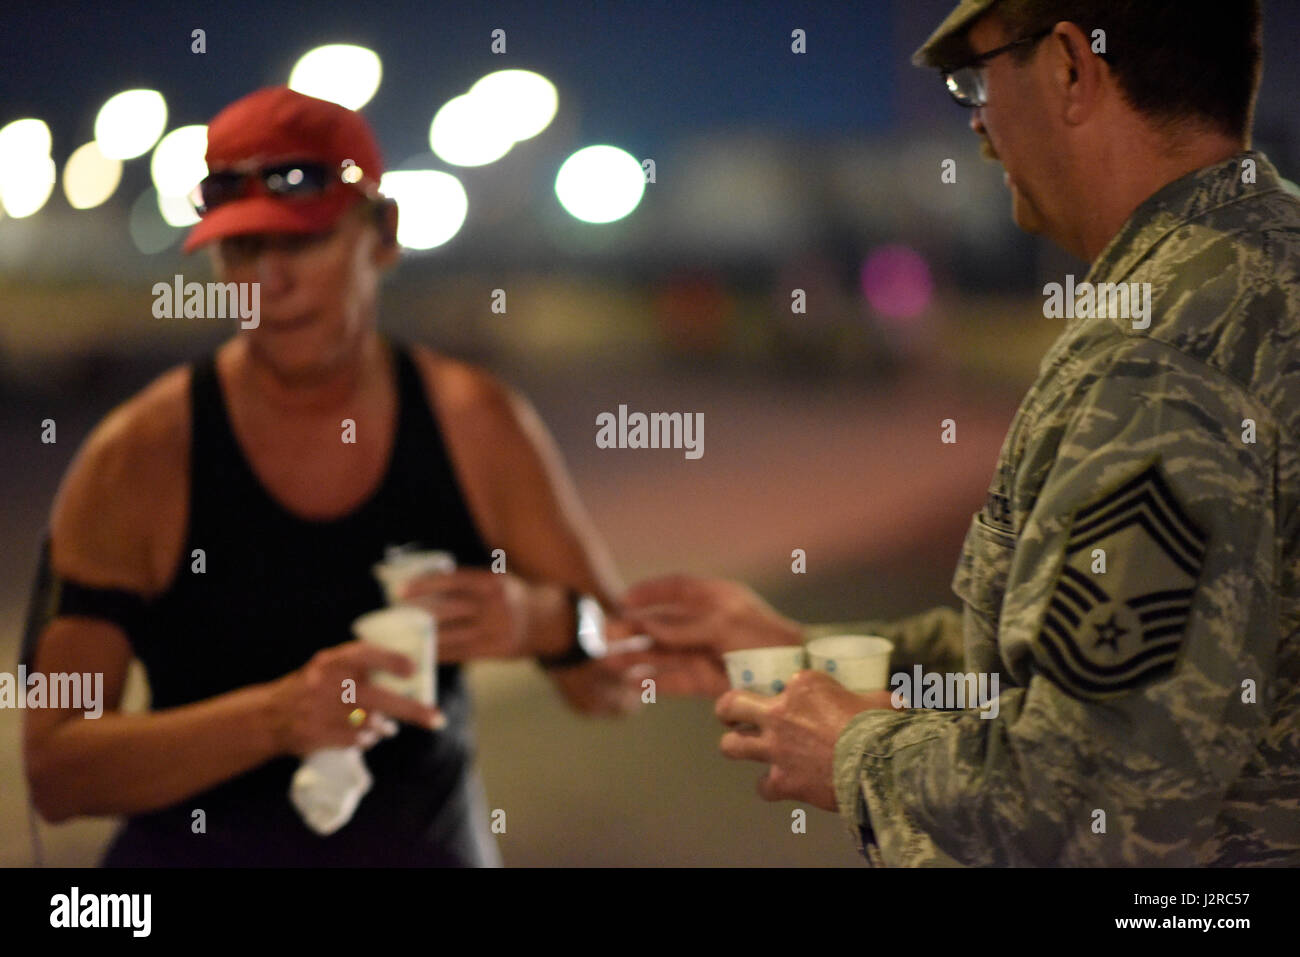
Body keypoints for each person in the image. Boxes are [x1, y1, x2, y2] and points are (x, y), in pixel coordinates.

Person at [622, 0, 1300, 865]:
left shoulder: (1158, 353)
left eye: (976, 80)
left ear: (1068, 67)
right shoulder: (1265, 261)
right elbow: (1095, 652)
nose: (977, 125)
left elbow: (1092, 803)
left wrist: (853, 754)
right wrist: (808, 656)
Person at [21, 86, 642, 867]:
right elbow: (54, 769)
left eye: (302, 243)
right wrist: (277, 718)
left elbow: (622, 682)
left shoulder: (474, 423)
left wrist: (548, 622)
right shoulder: (139, 456)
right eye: (243, 250)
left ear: (382, 234)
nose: (270, 283)